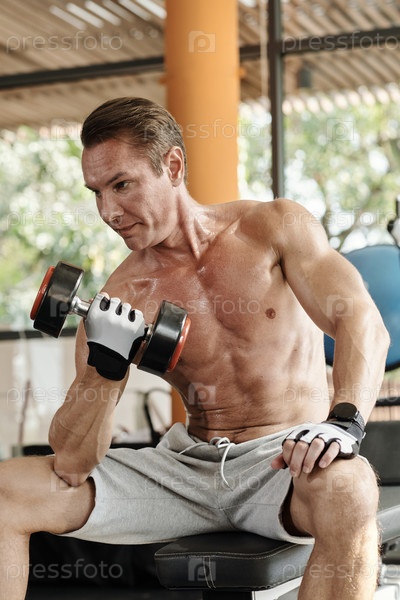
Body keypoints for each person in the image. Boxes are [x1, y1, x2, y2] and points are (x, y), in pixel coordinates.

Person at [0, 97, 390, 600]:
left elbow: (361, 321)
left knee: (350, 489)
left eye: (122, 185)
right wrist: (105, 366)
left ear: (173, 166)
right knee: (7, 492)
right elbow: (72, 464)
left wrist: (344, 423)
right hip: (183, 472)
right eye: (96, 192)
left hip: (284, 460)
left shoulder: (273, 228)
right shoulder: (121, 297)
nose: (108, 212)